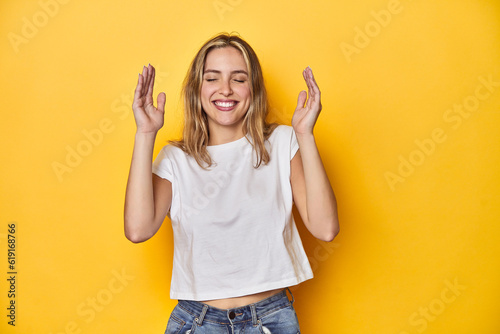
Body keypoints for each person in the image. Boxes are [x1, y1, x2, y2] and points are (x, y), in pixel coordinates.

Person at [124, 32, 339, 334]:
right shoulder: (176, 159)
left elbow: (325, 228)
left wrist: (305, 135)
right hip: (198, 322)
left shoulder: (282, 142)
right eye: (212, 78)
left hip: (270, 321)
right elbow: (137, 229)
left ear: (254, 89)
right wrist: (145, 134)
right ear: (197, 89)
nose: (225, 90)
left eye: (239, 79)